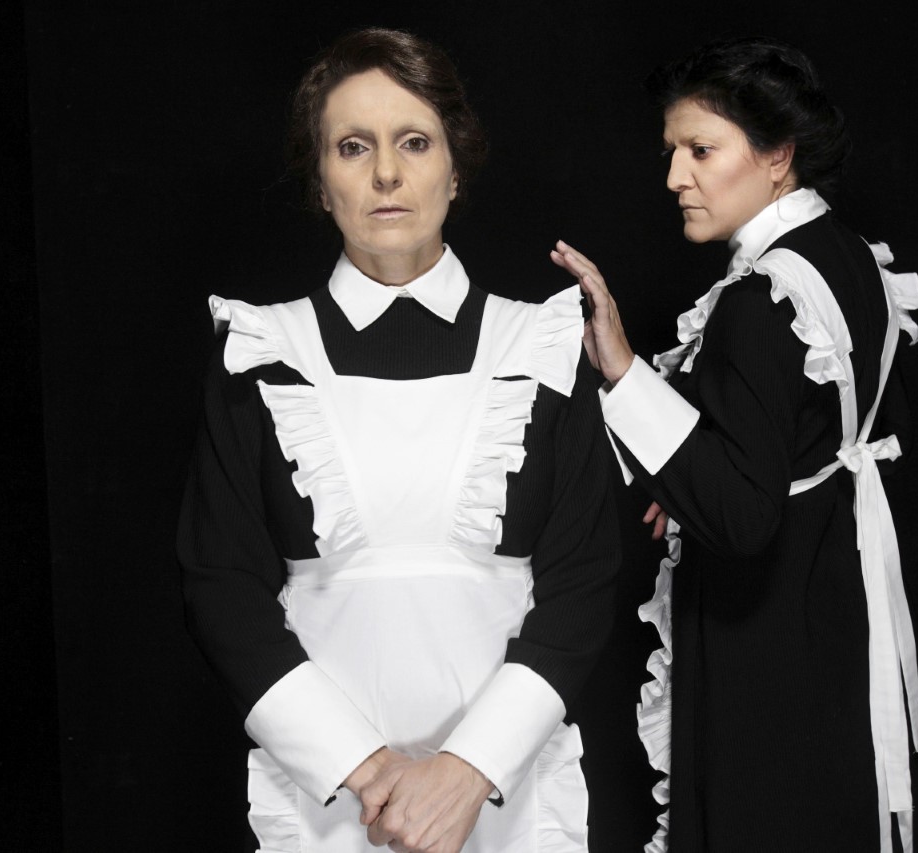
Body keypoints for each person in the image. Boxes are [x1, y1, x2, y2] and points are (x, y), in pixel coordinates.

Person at [177, 28, 619, 853]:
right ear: (321, 180)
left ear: (455, 169)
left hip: (509, 792)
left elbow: (585, 578)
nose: (386, 173)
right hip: (332, 802)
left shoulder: (543, 344)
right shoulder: (261, 351)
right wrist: (370, 771)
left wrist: (467, 770)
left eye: (414, 142)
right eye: (353, 147)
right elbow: (221, 583)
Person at [551, 36, 918, 853]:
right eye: (671, 151)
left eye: (700, 150)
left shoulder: (760, 298)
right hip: (836, 607)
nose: (674, 177)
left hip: (766, 634)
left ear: (778, 155)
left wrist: (621, 368)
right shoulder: (850, 258)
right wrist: (698, 475)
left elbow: (743, 516)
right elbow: (812, 435)